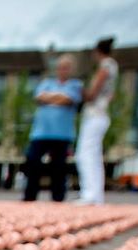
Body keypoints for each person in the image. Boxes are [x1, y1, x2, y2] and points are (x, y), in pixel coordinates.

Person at [23, 54, 82, 202]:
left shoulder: (75, 85)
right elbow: (40, 97)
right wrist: (59, 98)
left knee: (58, 167)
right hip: (40, 132)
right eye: (61, 67)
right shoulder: (46, 83)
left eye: (66, 68)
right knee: (33, 162)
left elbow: (68, 99)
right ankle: (30, 196)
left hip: (62, 134)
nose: (63, 70)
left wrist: (50, 98)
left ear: (71, 70)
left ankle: (58, 198)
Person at [76, 37, 119, 205]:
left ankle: (89, 194)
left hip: (95, 114)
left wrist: (80, 90)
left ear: (97, 52)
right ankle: (96, 195)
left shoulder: (105, 66)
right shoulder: (113, 66)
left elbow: (92, 94)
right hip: (102, 114)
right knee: (94, 155)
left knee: (85, 154)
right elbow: (111, 94)